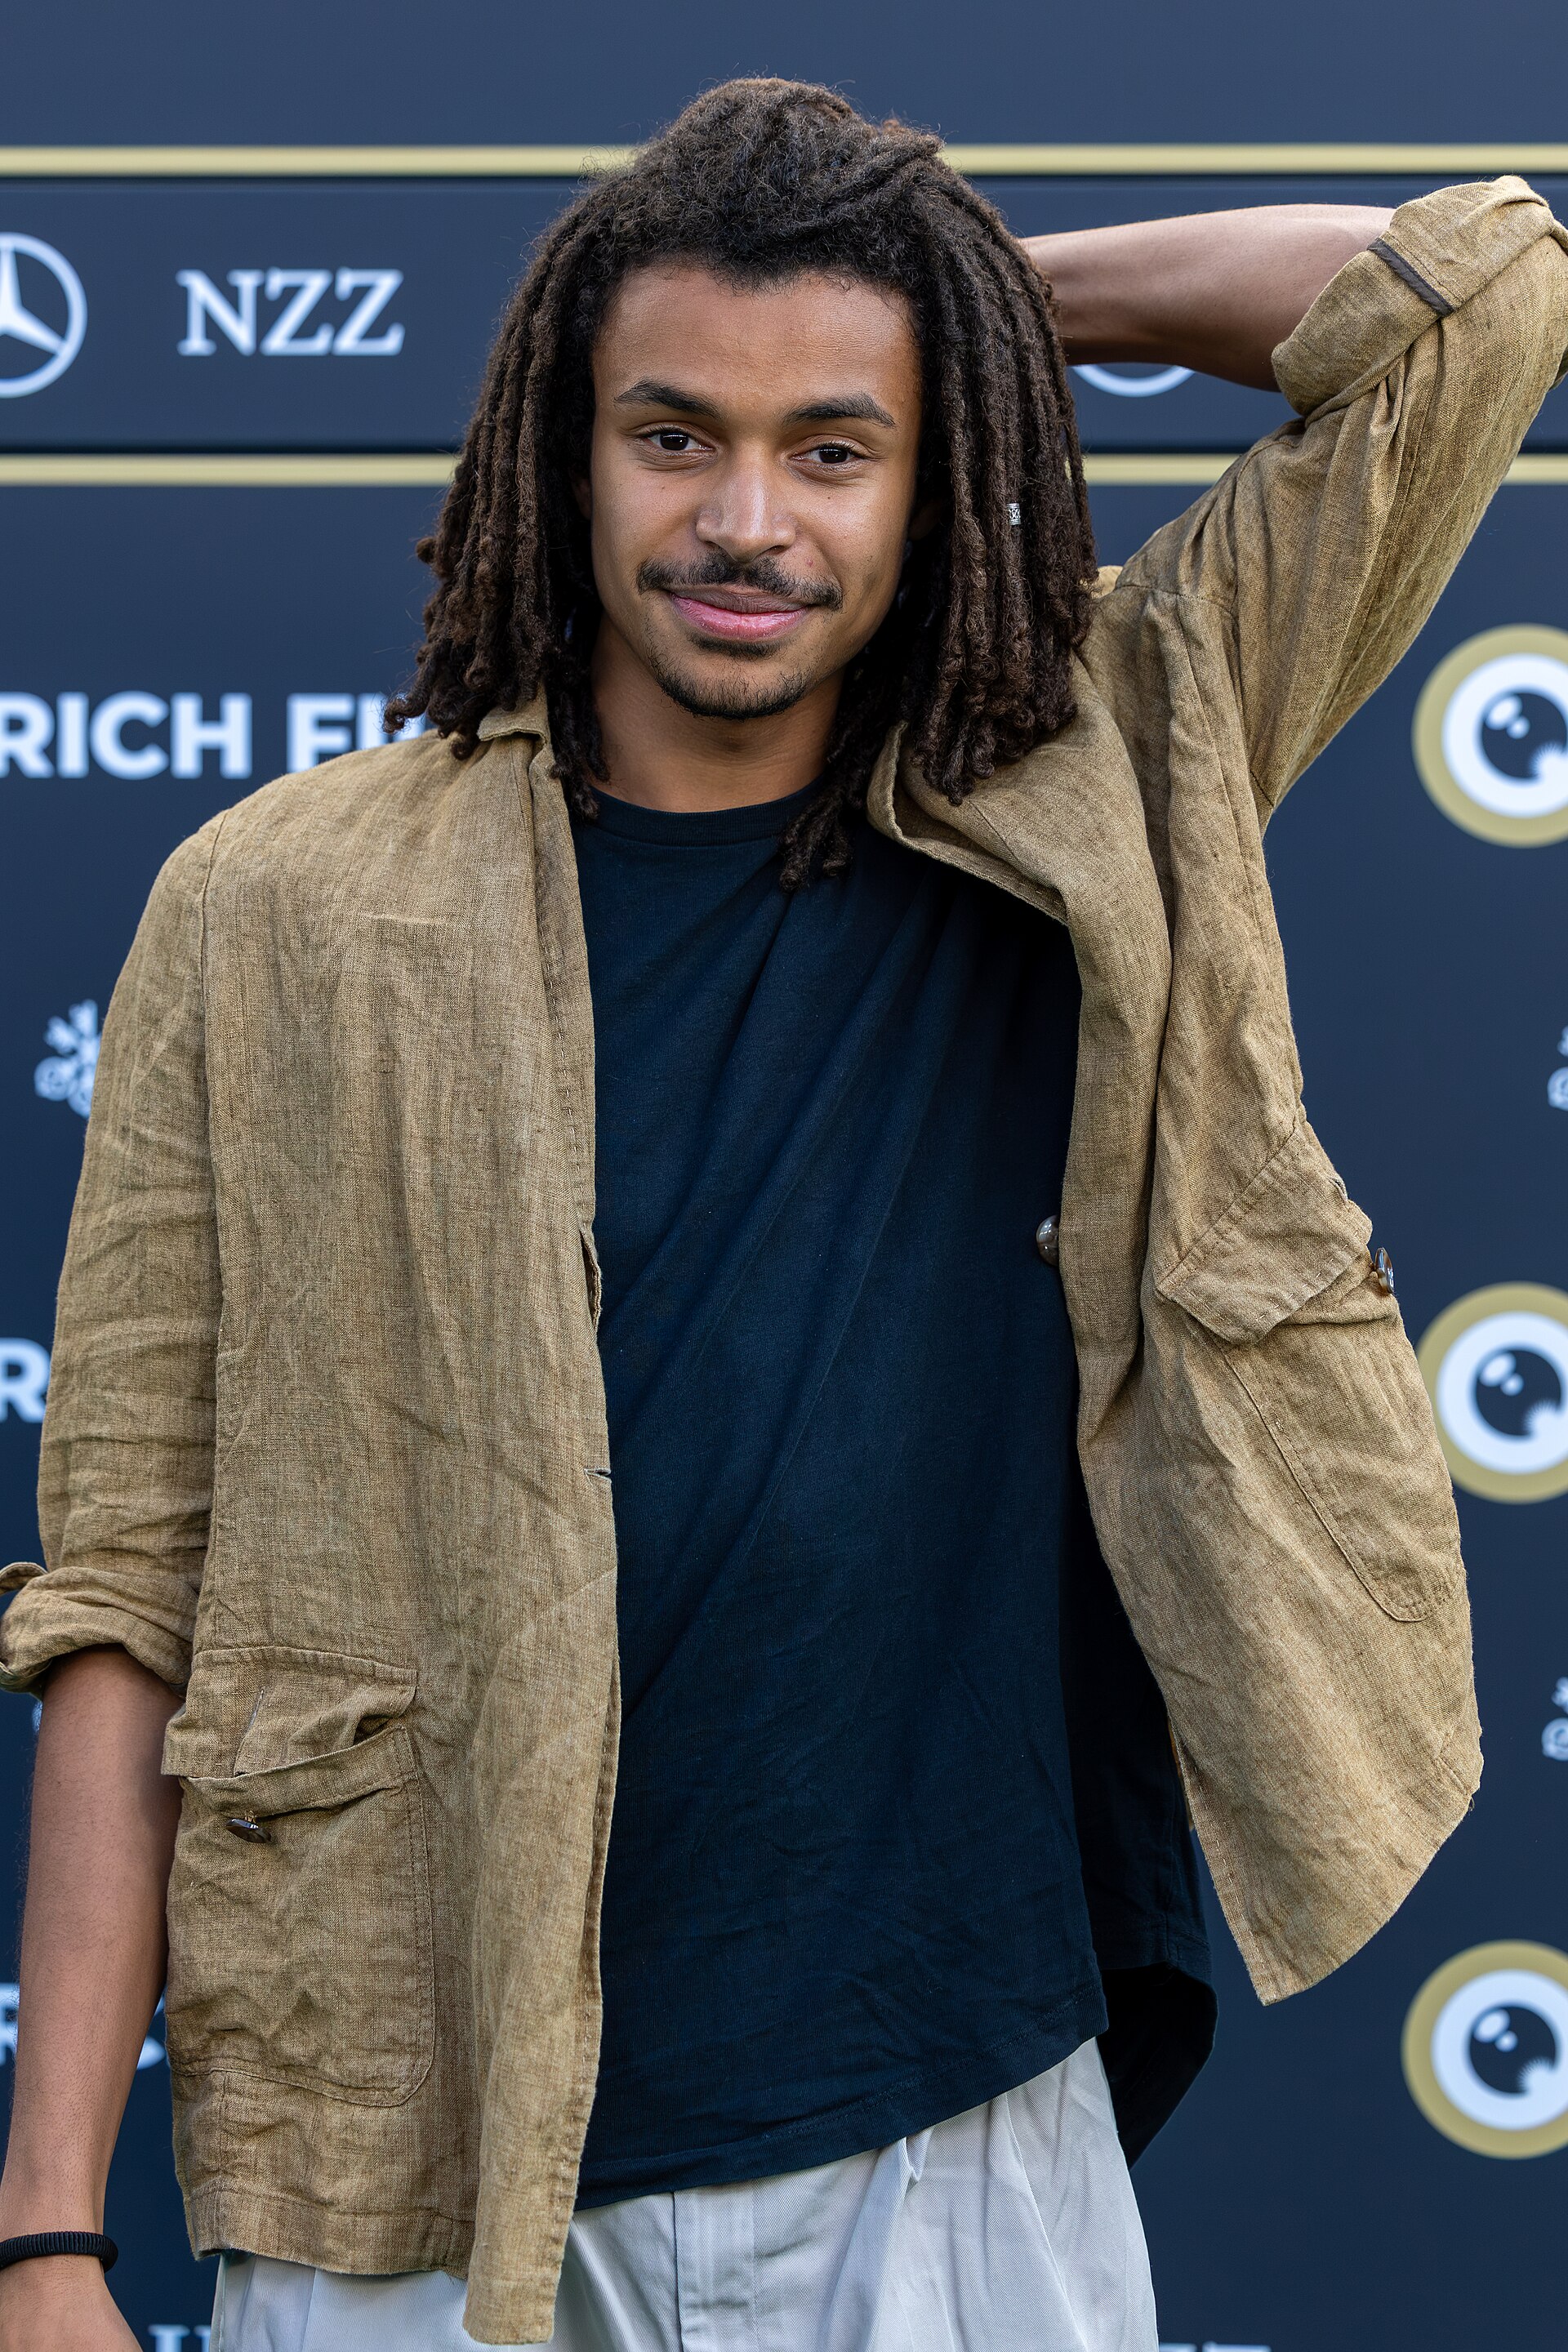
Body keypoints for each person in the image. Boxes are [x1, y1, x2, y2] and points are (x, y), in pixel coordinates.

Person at [0, 76, 1563, 2352]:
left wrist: (981, 301)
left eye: (835, 446)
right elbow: (127, 1587)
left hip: (942, 2121)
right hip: (401, 2149)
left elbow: (1483, 303)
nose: (749, 519)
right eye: (673, 437)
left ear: (935, 470)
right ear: (559, 442)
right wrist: (46, 2235)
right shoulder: (272, 907)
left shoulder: (1102, 759)